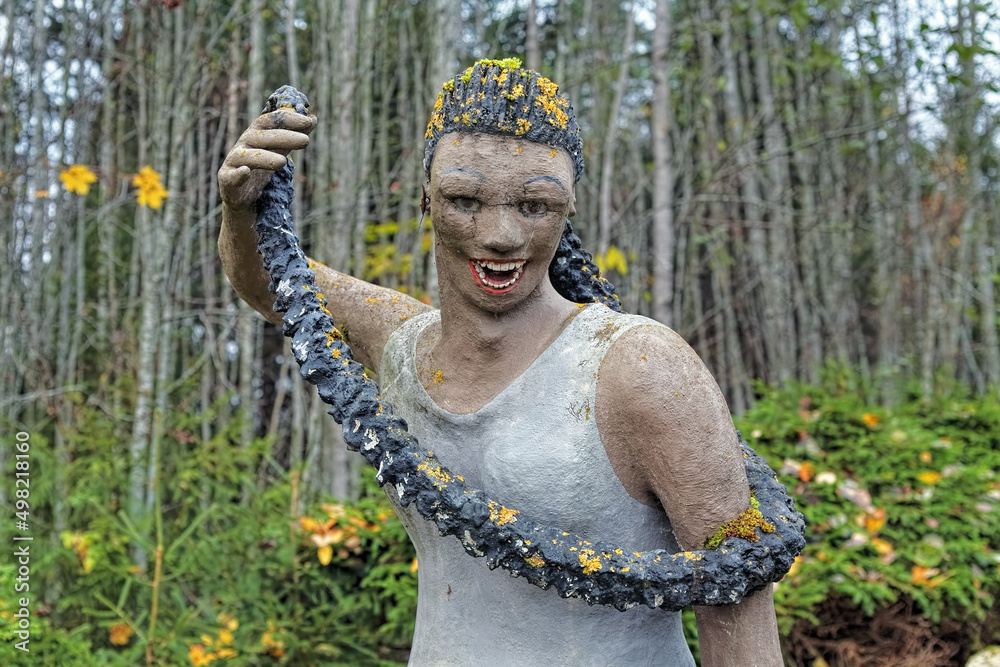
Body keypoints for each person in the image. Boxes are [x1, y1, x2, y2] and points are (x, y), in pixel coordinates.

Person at [219, 59, 784, 666]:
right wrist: (243, 207)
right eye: (465, 200)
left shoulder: (638, 368)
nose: (501, 235)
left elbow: (738, 593)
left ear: (567, 211)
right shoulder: (405, 348)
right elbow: (274, 285)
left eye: (535, 204)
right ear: (426, 202)